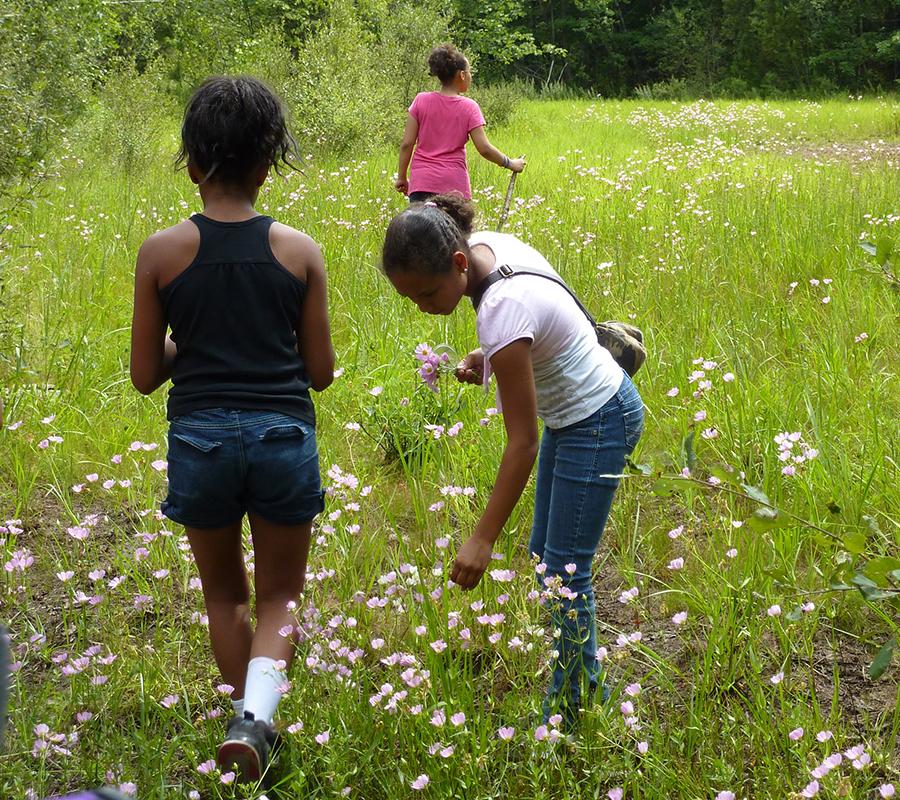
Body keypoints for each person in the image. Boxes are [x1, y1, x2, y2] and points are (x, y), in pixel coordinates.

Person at [129, 75, 334, 781]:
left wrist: (198, 345)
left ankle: (245, 729)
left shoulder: (160, 253)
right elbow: (320, 370)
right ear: (267, 167)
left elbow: (145, 372)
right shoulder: (299, 250)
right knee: (281, 597)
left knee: (226, 596)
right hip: (282, 436)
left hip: (199, 442)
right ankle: (258, 719)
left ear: (192, 165)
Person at [381, 196, 644, 732]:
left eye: (428, 293)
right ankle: (585, 687)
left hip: (597, 419)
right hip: (580, 414)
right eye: (410, 298)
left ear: (457, 264)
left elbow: (520, 442)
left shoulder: (500, 308)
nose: (424, 307)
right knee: (550, 560)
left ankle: (571, 711)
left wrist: (481, 538)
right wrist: (491, 360)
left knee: (566, 569)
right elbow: (539, 333)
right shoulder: (488, 248)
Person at [395, 43, 526, 203]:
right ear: (462, 75)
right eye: (470, 72)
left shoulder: (421, 100)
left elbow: (407, 144)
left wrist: (402, 177)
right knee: (459, 229)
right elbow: (484, 149)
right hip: (454, 186)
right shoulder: (469, 107)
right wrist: (511, 163)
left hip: (422, 184)